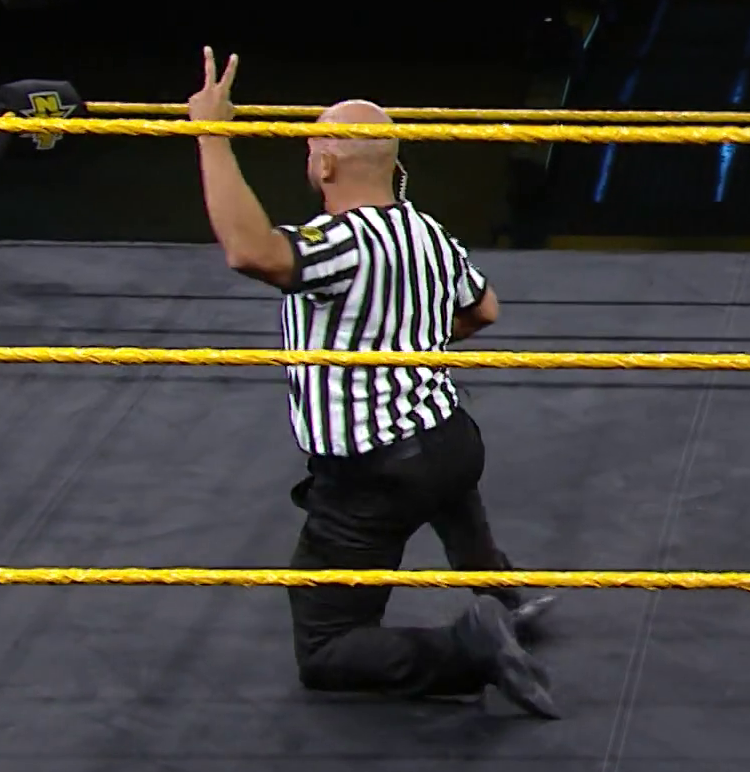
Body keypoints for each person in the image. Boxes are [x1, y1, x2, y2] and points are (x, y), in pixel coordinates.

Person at [187, 46, 558, 717]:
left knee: (327, 646)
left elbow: (251, 251)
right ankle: (503, 598)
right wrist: (407, 344)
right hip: (450, 439)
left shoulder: (339, 242)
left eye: (311, 150)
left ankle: (472, 647)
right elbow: (484, 309)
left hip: (375, 470)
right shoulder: (428, 233)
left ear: (326, 165)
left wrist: (212, 135)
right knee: (448, 486)